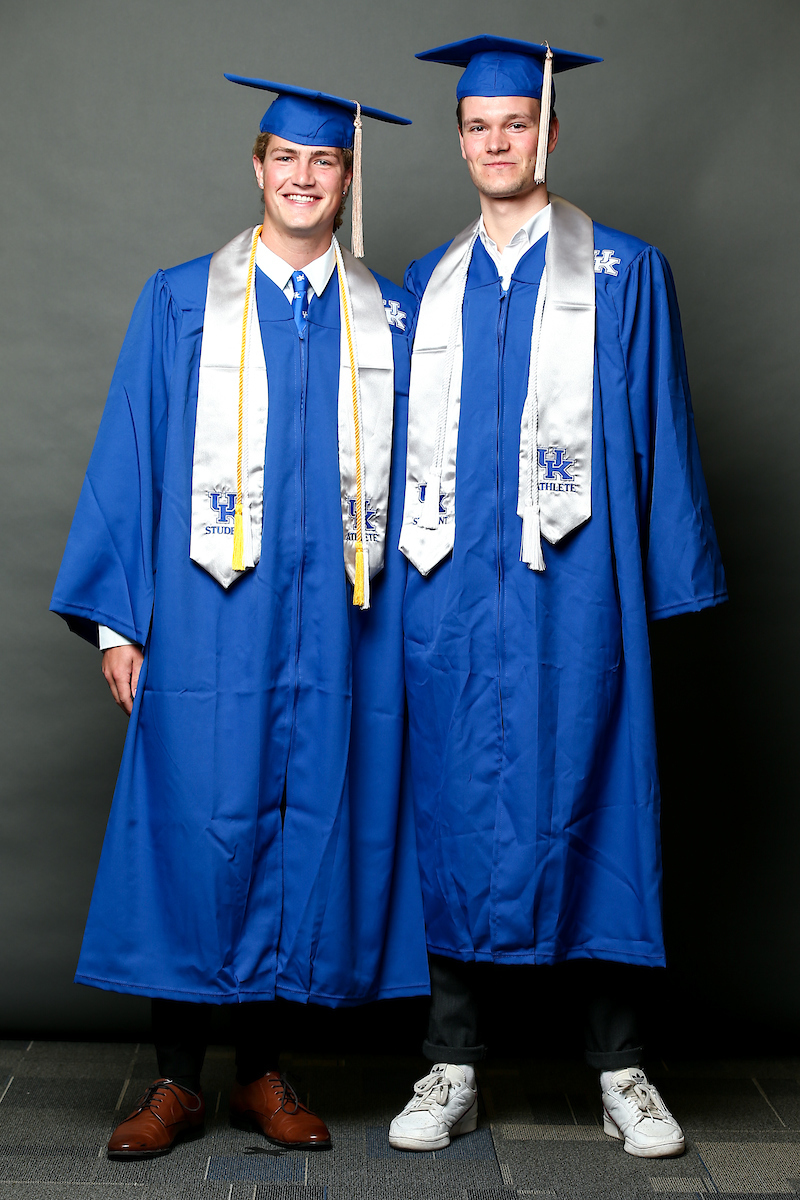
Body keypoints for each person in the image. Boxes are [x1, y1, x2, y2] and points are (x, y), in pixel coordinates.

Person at [51, 73, 429, 1159]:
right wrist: (120, 622)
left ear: (346, 180)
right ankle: (175, 1083)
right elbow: (131, 450)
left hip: (339, 620)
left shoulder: (389, 320)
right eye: (286, 160)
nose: (304, 178)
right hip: (212, 617)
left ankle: (264, 1075)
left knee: (300, 821)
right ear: (256, 169)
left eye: (325, 163)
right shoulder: (180, 299)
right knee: (194, 826)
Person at [389, 35, 727, 1160]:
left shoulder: (624, 274)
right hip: (443, 602)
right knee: (448, 808)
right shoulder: (420, 291)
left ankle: (622, 1069)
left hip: (579, 595)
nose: (496, 142)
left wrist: (664, 591)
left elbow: (662, 441)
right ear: (460, 140)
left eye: (514, 124)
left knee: (601, 803)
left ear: (544, 131)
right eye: (477, 126)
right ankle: (453, 1063)